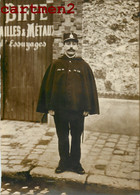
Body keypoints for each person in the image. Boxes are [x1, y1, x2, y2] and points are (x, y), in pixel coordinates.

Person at [36, 32, 99, 174]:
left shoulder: (83, 66)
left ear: (77, 46)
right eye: (68, 44)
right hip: (60, 110)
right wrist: (50, 107)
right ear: (63, 46)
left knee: (76, 137)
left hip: (78, 110)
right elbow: (49, 86)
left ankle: (76, 164)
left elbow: (88, 88)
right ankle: (63, 163)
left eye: (73, 44)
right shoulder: (56, 65)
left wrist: (87, 107)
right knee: (62, 137)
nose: (71, 47)